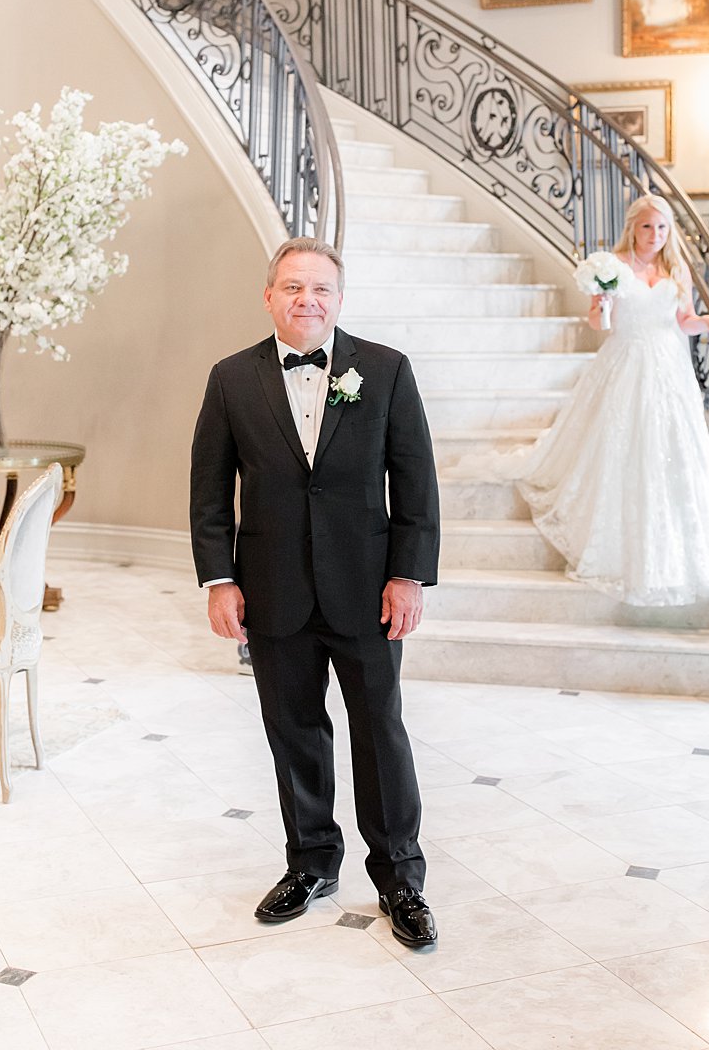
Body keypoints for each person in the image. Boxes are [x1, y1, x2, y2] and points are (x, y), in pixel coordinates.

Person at [189, 237, 440, 947]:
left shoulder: (385, 371)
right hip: (272, 592)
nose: (307, 300)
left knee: (379, 731)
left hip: (367, 591)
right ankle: (310, 863)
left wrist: (407, 575)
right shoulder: (230, 379)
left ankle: (400, 879)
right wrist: (219, 581)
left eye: (320, 289)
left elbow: (415, 482)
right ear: (269, 296)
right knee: (293, 730)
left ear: (339, 298)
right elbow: (209, 491)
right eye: (293, 287)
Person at [518, 194, 709, 605]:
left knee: (670, 449)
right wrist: (601, 305)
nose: (655, 235)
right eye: (647, 227)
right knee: (623, 444)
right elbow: (599, 324)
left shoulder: (677, 268)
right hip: (625, 359)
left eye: (662, 228)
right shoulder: (613, 266)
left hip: (669, 365)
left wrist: (706, 322)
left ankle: (671, 551)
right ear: (632, 228)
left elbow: (684, 320)